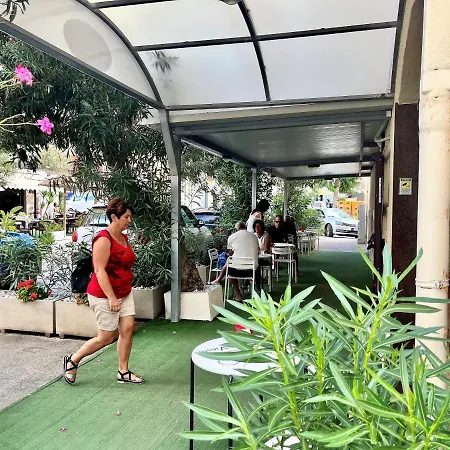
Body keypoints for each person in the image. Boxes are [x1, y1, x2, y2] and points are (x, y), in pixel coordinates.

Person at [63, 198, 144, 385]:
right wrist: (112, 298)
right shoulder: (103, 239)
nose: (129, 220)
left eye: (130, 217)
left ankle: (123, 371)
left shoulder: (123, 237)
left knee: (127, 329)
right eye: (126, 217)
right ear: (114, 217)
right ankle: (73, 360)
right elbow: (99, 271)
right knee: (107, 337)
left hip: (124, 292)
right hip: (104, 295)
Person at [213, 221, 260, 301]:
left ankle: (238, 295)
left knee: (230, 265)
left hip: (235, 272)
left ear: (236, 229)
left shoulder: (232, 237)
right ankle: (258, 290)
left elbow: (230, 254)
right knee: (257, 266)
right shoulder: (254, 236)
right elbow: (257, 251)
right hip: (252, 271)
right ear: (245, 227)